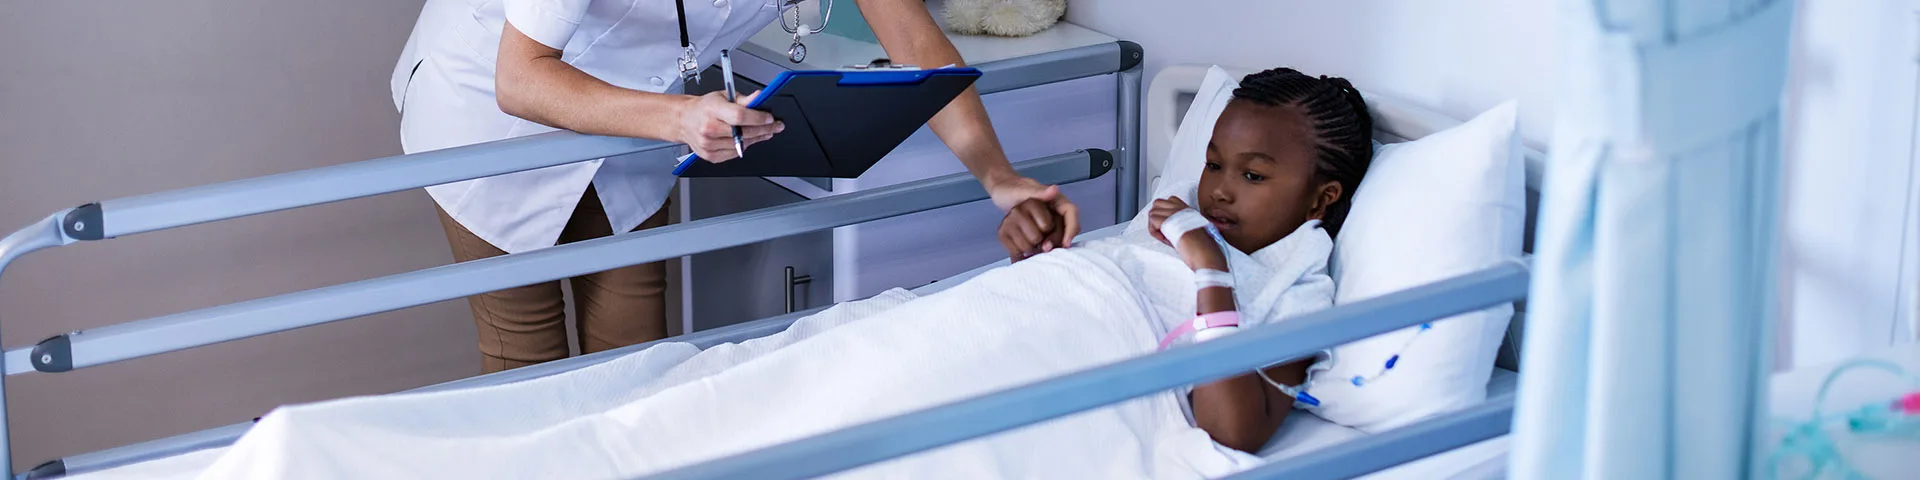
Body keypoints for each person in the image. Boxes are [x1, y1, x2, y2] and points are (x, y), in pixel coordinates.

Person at [203, 68, 1376, 479]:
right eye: (1215, 163)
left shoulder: (1295, 283)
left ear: (1319, 203)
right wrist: (1052, 247)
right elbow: (522, 74)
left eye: (1251, 174)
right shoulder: (1169, 230)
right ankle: (323, 456)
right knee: (670, 404)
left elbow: (1233, 424)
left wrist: (1196, 259)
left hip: (1063, 352)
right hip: (514, 126)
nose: (1218, 187)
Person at [390, 0, 1080, 373]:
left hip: (636, 122)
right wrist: (679, 117)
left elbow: (918, 48)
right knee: (528, 364)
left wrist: (1000, 178)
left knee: (638, 361)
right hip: (489, 114)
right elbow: (521, 77)